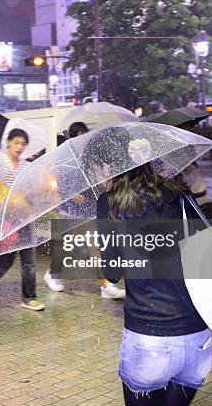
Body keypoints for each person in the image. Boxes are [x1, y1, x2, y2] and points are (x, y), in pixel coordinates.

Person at [90, 129, 211, 406]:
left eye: (97, 171)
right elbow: (204, 248)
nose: (98, 179)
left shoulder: (109, 204)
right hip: (196, 336)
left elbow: (111, 273)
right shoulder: (177, 192)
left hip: (149, 337)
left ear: (109, 166)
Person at [44, 122, 126, 299]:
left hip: (88, 210)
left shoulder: (89, 154)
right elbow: (58, 181)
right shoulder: (64, 158)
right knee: (64, 248)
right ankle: (52, 274)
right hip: (69, 211)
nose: (82, 139)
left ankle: (106, 286)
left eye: (84, 135)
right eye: (79, 135)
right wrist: (70, 194)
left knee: (96, 247)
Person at [0, 128, 45, 311]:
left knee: (29, 260)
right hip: (6, 217)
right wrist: (5, 212)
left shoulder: (25, 166)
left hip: (23, 217)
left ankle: (29, 297)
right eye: (16, 142)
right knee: (6, 260)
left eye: (23, 144)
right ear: (8, 143)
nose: (19, 147)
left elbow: (28, 192)